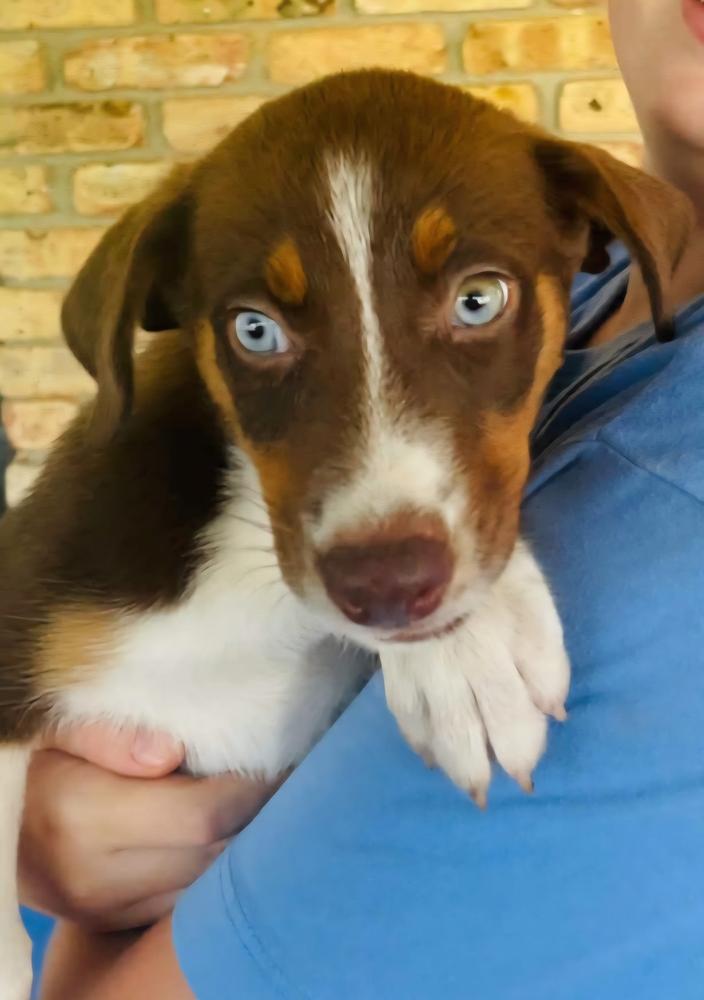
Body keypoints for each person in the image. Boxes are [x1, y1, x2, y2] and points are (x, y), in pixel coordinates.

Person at [21, 1, 704, 995]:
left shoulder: (672, 505)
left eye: (477, 302)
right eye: (259, 332)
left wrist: (68, 913)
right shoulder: (606, 311)